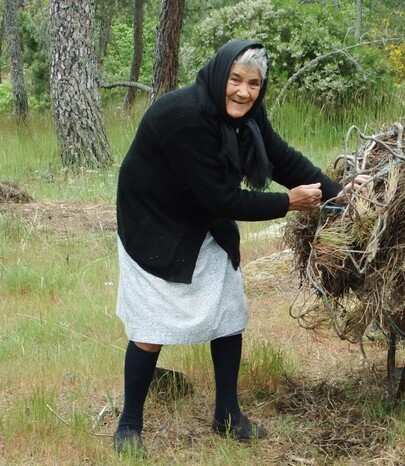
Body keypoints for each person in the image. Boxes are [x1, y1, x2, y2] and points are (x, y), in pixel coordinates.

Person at [113, 39, 369, 455]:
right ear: (219, 76)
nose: (243, 91)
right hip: (154, 222)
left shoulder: (247, 116)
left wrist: (338, 193)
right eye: (235, 79)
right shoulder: (183, 118)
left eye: (253, 83)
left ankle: (228, 415)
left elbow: (283, 159)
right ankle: (129, 425)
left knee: (228, 312)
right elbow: (222, 199)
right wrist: (288, 202)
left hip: (202, 217)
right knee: (151, 324)